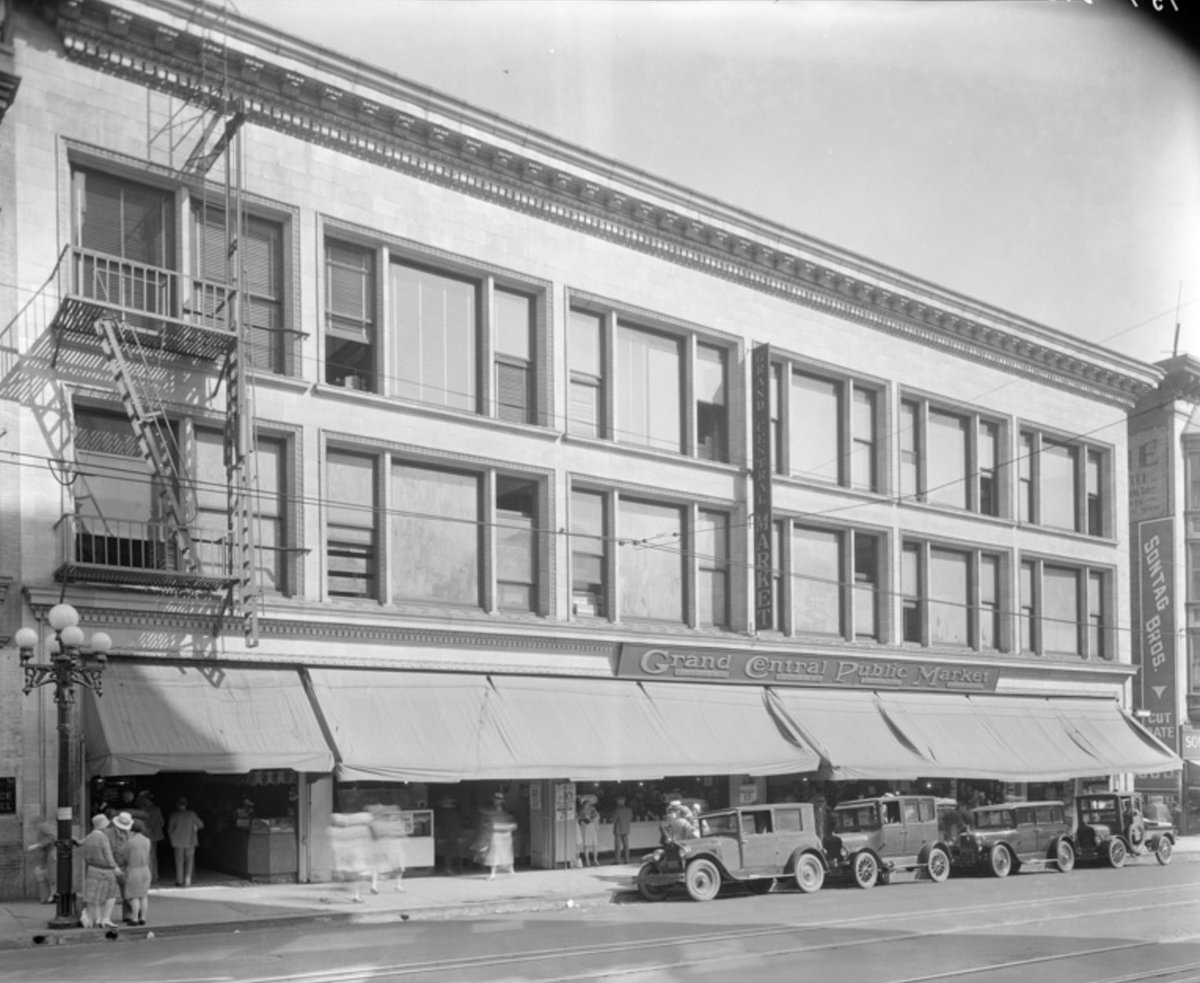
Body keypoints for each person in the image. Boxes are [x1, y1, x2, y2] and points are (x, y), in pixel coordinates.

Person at [81, 814, 122, 929]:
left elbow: (85, 854)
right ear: (103, 826)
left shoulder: (88, 837)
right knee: (111, 895)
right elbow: (108, 855)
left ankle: (98, 919)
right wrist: (115, 867)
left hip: (92, 869)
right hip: (106, 870)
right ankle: (106, 919)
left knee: (95, 897)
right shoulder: (103, 838)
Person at [476, 792, 516, 880]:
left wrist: (511, 826)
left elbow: (511, 820)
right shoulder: (489, 809)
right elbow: (485, 820)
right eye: (496, 799)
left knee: (507, 852)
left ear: (502, 801)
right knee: (493, 853)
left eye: (499, 800)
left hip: (506, 834)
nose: (497, 801)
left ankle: (511, 870)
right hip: (496, 833)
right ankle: (493, 874)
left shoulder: (505, 809)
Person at [168, 797, 204, 887]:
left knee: (179, 861)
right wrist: (195, 827)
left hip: (178, 842)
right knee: (190, 860)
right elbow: (201, 825)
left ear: (177, 804)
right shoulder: (191, 814)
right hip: (190, 841)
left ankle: (179, 880)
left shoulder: (174, 815)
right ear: (186, 804)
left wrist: (173, 838)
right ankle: (188, 880)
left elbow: (170, 830)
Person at [123, 819, 152, 926]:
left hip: (134, 870)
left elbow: (125, 857)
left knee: (134, 896)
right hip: (145, 869)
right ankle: (143, 918)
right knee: (143, 895)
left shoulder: (130, 842)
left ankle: (135, 918)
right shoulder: (147, 841)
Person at [107, 811, 134, 922]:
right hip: (112, 865)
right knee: (109, 894)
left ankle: (128, 915)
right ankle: (104, 917)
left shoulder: (130, 834)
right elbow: (107, 851)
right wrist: (114, 866)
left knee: (127, 892)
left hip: (126, 866)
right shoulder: (109, 833)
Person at [135, 791, 165, 883]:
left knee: (147, 857)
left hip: (146, 835)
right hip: (155, 836)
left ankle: (149, 877)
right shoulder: (157, 809)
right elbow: (162, 822)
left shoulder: (144, 810)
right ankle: (154, 876)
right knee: (153, 857)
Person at [26, 821, 56, 904]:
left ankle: (52, 896)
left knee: (51, 876)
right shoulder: (42, 826)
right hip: (46, 855)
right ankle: (47, 897)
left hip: (50, 854)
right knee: (46, 875)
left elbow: (51, 837)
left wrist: (37, 845)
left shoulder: (42, 826)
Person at [577, 794, 600, 867]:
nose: (587, 805)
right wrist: (583, 819)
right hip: (585, 828)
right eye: (586, 804)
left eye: (588, 803)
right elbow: (579, 819)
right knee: (586, 845)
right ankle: (587, 861)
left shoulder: (593, 809)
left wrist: (592, 819)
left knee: (594, 845)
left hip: (592, 827)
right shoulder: (581, 811)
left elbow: (597, 816)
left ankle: (595, 859)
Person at [611, 795, 633, 866]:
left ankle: (617, 860)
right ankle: (627, 859)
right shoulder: (628, 809)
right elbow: (630, 818)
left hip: (618, 829)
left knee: (618, 846)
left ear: (620, 801)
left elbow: (614, 820)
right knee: (626, 846)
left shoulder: (617, 809)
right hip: (626, 828)